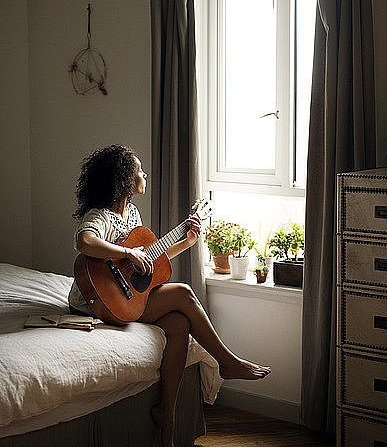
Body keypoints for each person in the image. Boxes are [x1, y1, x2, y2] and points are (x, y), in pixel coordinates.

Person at [68, 144, 271, 447]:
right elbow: (85, 242)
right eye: (139, 170)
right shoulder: (102, 215)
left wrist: (187, 241)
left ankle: (168, 415)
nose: (144, 174)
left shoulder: (132, 213)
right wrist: (127, 251)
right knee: (184, 294)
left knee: (179, 325)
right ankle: (227, 362)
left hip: (121, 297)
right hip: (93, 302)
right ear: (125, 180)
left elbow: (148, 259)